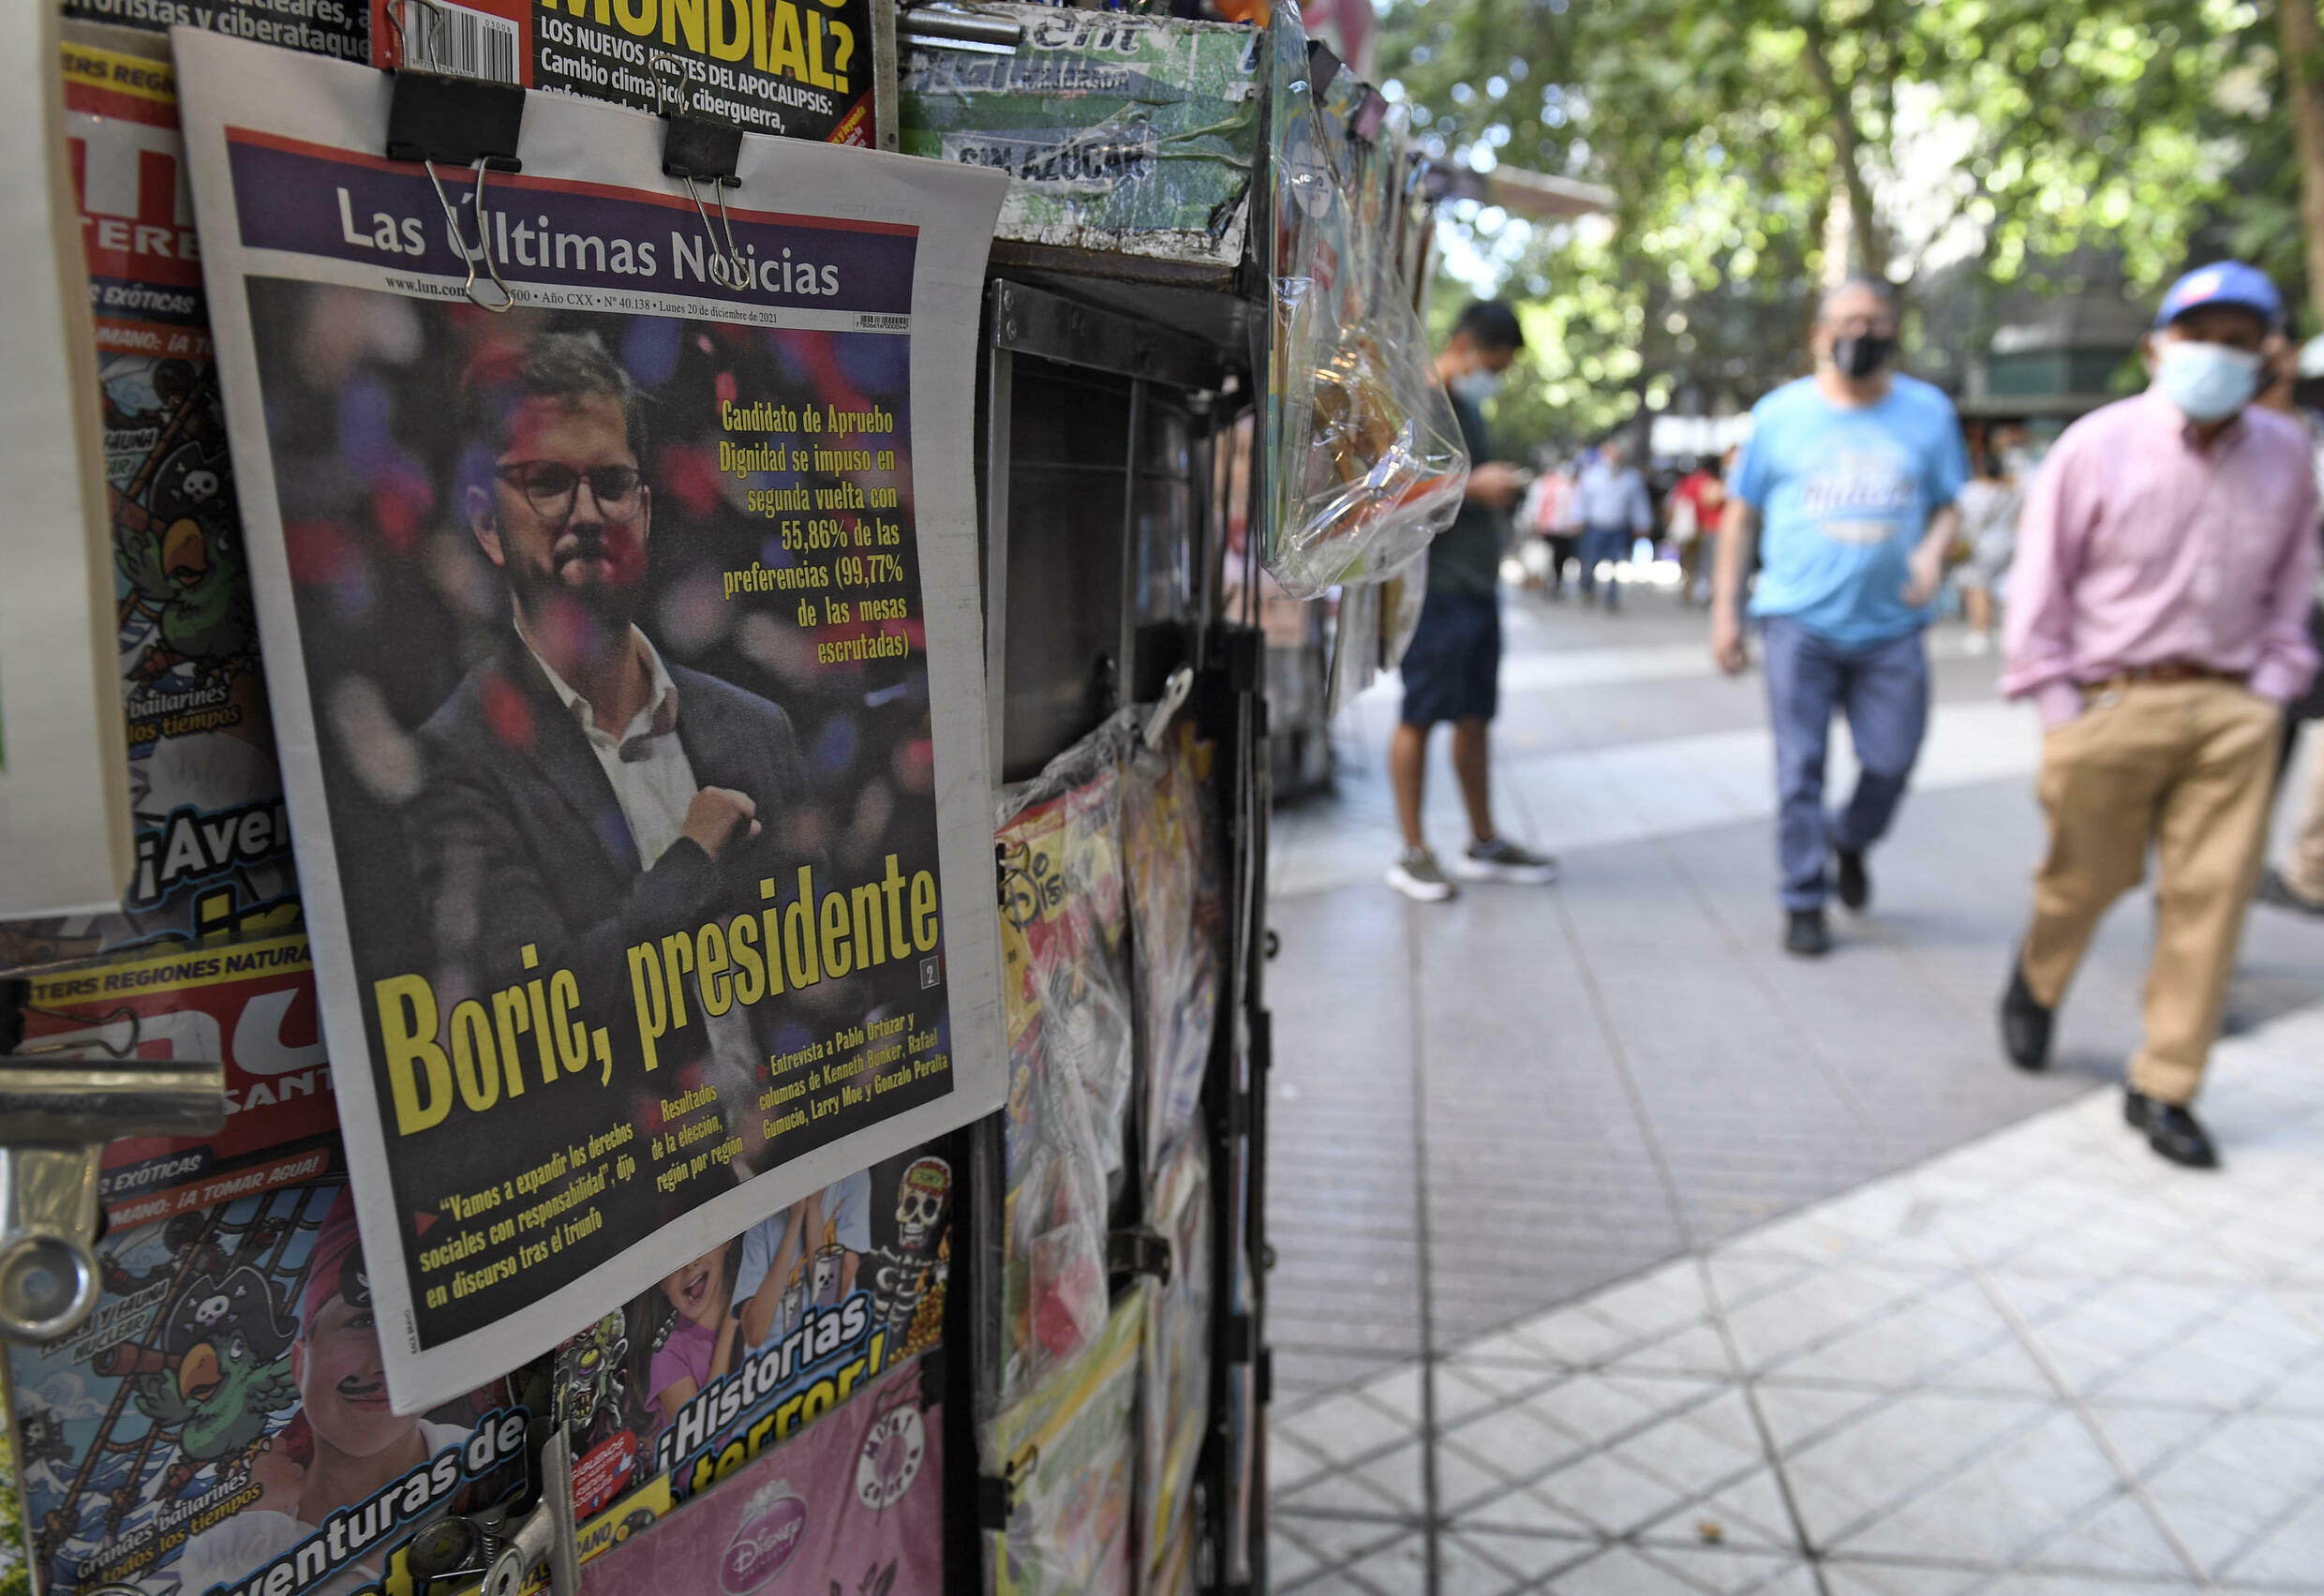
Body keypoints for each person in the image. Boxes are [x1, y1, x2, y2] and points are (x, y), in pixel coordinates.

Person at [411, 331, 804, 1170]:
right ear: (487, 524)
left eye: (613, 483)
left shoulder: (756, 730)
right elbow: (533, 1020)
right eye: (548, 482)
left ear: (646, 513)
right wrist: (694, 858)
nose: (587, 513)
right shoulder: (458, 761)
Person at [1998, 261, 2320, 1169]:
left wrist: (2269, 687)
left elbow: (2291, 582)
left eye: (2237, 339)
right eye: (2198, 335)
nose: (2216, 355)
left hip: (2230, 709)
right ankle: (2036, 973)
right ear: (2154, 346)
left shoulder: (2283, 450)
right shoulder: (2092, 445)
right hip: (2108, 702)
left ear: (2266, 354)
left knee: (2207, 903)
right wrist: (2058, 707)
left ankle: (2165, 1081)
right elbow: (2037, 587)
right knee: (2081, 880)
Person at [1711, 276, 1968, 956]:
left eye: (1876, 322)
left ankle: (1850, 838)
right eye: (1848, 322)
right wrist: (1725, 613)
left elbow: (1949, 501)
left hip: (1894, 626)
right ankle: (1803, 897)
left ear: (1894, 332)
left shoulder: (1929, 413)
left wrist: (1933, 554)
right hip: (1799, 622)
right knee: (1800, 768)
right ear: (1821, 335)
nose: (1862, 334)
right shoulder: (1779, 415)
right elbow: (1740, 516)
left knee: (1891, 759)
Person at [173, 1193, 477, 1596]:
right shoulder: (228, 1542)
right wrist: (265, 1517)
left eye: (416, 1333)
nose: (381, 1362)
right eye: (362, 1321)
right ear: (300, 1365)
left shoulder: (481, 1454)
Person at [1385, 300, 1558, 902]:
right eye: (1495, 363)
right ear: (1465, 344)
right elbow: (1388, 490)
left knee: (1475, 715)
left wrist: (1490, 486)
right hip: (1436, 588)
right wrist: (1470, 485)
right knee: (1420, 715)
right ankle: (1414, 852)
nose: (1496, 376)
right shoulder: (1421, 398)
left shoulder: (1466, 405)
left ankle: (1482, 840)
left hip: (1477, 587)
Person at [648, 1239, 743, 1416]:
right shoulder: (668, 1356)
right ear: (660, 1282)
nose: (689, 1264)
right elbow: (702, 1438)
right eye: (671, 1259)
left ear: (727, 1240)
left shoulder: (757, 1283)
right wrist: (729, 1327)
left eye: (698, 1240)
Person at [1570, 438, 1653, 611]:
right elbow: (1581, 501)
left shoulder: (1631, 478)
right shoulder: (1591, 476)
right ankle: (1587, 588)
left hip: (1619, 528)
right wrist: (1577, 519)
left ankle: (1612, 597)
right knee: (1590, 561)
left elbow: (1639, 503)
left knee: (1617, 563)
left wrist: (1643, 523)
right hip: (1595, 526)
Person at [1952, 447, 2021, 653]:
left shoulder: (1970, 492)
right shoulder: (2013, 492)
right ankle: (2010, 632)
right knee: (2007, 590)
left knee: (1978, 589)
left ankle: (1980, 633)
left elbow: (1964, 520)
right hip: (2009, 543)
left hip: (1980, 546)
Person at [1667, 455, 1727, 605]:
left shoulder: (1690, 481)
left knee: (1691, 563)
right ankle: (1705, 592)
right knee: (1709, 563)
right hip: (1710, 528)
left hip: (1694, 530)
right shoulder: (1714, 482)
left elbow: (1675, 502)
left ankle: (1691, 591)